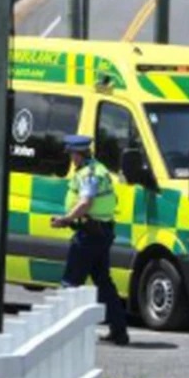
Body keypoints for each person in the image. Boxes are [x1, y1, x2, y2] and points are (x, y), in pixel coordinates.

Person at [50, 135, 130, 346]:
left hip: (89, 233)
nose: (71, 159)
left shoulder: (89, 174)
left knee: (70, 283)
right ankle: (119, 331)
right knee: (104, 283)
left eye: (72, 155)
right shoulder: (99, 168)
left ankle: (61, 335)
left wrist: (66, 219)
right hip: (100, 231)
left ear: (79, 154)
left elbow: (85, 202)